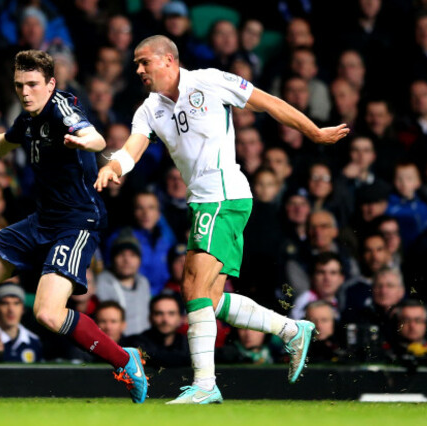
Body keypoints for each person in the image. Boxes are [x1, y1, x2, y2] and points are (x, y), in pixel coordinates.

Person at [95, 35, 349, 404]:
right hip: (203, 203)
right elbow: (133, 146)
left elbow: (269, 103)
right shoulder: (149, 109)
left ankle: (205, 383)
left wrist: (313, 132)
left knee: (193, 288)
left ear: (168, 60)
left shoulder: (209, 81)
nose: (138, 70)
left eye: (143, 62)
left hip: (224, 196)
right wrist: (114, 166)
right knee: (209, 299)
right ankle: (291, 329)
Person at [0, 50, 147, 404]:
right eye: (19, 85)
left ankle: (124, 359)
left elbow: (95, 137)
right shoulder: (28, 118)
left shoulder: (62, 110)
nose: (25, 92)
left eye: (33, 85)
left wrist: (87, 141)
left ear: (51, 84)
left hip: (78, 222)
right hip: (43, 220)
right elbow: (0, 143)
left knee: (47, 314)